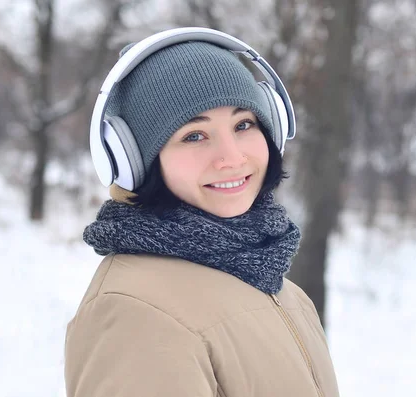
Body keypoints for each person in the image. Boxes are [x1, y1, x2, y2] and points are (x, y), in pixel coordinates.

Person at [64, 27, 339, 397]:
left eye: (244, 125)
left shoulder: (277, 286)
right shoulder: (135, 313)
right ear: (135, 161)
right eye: (194, 135)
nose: (232, 157)